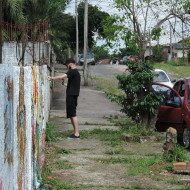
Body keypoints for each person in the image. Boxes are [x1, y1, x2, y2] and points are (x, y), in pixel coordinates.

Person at [48, 58, 81, 138]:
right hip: (72, 94)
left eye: (67, 65)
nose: (67, 66)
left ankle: (77, 134)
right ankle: (75, 132)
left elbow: (63, 75)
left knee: (73, 114)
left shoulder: (73, 71)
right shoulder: (75, 72)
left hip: (71, 95)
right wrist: (64, 84)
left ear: (70, 64)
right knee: (71, 114)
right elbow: (73, 85)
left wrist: (51, 78)